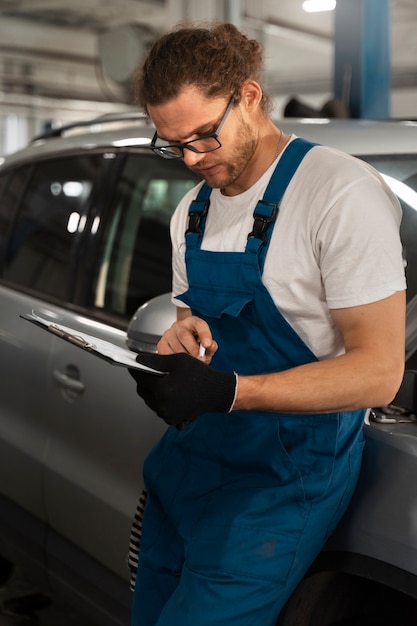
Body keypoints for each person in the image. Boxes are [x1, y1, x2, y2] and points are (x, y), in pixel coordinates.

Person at [128, 22, 406, 626]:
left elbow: (379, 372)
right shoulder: (191, 211)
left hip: (279, 486)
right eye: (173, 145)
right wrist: (180, 351)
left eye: (204, 135)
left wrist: (233, 390)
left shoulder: (337, 193)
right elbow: (192, 326)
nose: (194, 158)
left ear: (249, 97)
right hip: (189, 465)